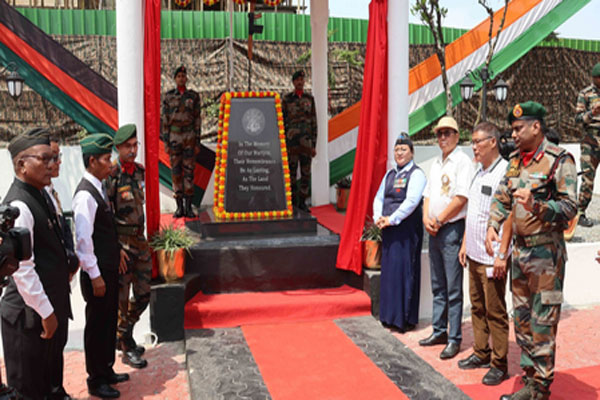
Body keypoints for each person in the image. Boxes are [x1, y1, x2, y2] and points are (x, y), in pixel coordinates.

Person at [486, 101, 577, 400]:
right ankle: (530, 380)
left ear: (536, 127)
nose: (513, 134)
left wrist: (536, 205)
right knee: (522, 319)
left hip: (546, 256)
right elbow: (502, 195)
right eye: (512, 129)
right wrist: (493, 225)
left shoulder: (558, 160)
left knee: (543, 322)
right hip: (521, 253)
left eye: (518, 128)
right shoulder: (515, 160)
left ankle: (541, 386)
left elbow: (569, 208)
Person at [1, 128, 72, 399]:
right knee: (29, 390)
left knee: (45, 385)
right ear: (22, 165)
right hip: (28, 318)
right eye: (44, 159)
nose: (52, 165)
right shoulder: (19, 206)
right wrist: (47, 312)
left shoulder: (38, 194)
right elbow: (23, 270)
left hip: (41, 312)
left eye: (52, 158)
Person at [73, 134, 129, 399]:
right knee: (97, 325)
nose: (110, 164)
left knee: (108, 322)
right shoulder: (85, 195)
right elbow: (83, 241)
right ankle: (96, 379)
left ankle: (106, 369)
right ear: (92, 160)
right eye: (106, 159)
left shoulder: (98, 187)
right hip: (96, 273)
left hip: (106, 268)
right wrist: (95, 276)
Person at [457, 122, 510, 386]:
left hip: (493, 257)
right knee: (477, 307)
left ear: (493, 142)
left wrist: (502, 254)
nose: (474, 147)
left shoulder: (505, 173)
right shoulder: (479, 173)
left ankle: (499, 363)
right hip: (475, 253)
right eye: (472, 141)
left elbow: (509, 217)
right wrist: (466, 243)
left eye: (477, 141)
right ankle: (481, 352)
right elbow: (473, 213)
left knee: (495, 311)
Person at [419, 116, 473, 360]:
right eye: (439, 133)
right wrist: (426, 219)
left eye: (447, 133)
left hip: (451, 229)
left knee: (453, 288)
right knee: (438, 284)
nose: (442, 138)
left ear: (457, 135)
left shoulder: (462, 162)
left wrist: (439, 219)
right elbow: (428, 195)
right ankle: (439, 330)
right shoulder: (437, 163)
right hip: (435, 229)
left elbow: (461, 198)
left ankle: (454, 338)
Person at [106, 124, 150, 369]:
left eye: (135, 145)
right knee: (122, 299)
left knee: (144, 293)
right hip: (122, 244)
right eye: (128, 146)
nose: (133, 150)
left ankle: (122, 334)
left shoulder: (140, 173)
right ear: (118, 148)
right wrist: (115, 248)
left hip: (139, 241)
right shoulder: (112, 175)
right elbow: (105, 215)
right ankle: (126, 345)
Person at [373, 134, 426, 332]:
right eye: (396, 150)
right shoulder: (390, 174)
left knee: (404, 273)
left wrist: (392, 218)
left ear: (411, 152)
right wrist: (379, 216)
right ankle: (388, 316)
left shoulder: (417, 174)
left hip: (405, 230)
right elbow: (379, 197)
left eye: (403, 149)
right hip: (388, 229)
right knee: (390, 274)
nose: (399, 153)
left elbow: (411, 202)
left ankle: (403, 319)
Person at [161, 65, 201, 219]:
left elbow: (197, 119)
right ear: (175, 79)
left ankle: (189, 207)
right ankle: (179, 207)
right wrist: (166, 142)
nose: (181, 79)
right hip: (175, 138)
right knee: (176, 173)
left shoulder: (194, 96)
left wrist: (197, 141)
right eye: (179, 76)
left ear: (186, 78)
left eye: (184, 76)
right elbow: (165, 121)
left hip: (189, 138)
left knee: (189, 173)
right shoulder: (169, 97)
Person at [282, 70, 318, 212]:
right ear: (293, 82)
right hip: (291, 144)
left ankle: (302, 202)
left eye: (302, 80)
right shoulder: (286, 99)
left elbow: (314, 122)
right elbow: (282, 121)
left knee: (305, 173)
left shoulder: (309, 99)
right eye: (297, 80)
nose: (300, 82)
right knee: (291, 174)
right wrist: (284, 143)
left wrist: (313, 144)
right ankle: (292, 201)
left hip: (306, 144)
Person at [575, 62, 600, 227]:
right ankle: (580, 213)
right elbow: (577, 119)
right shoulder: (585, 94)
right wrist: (592, 113)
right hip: (590, 141)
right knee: (588, 179)